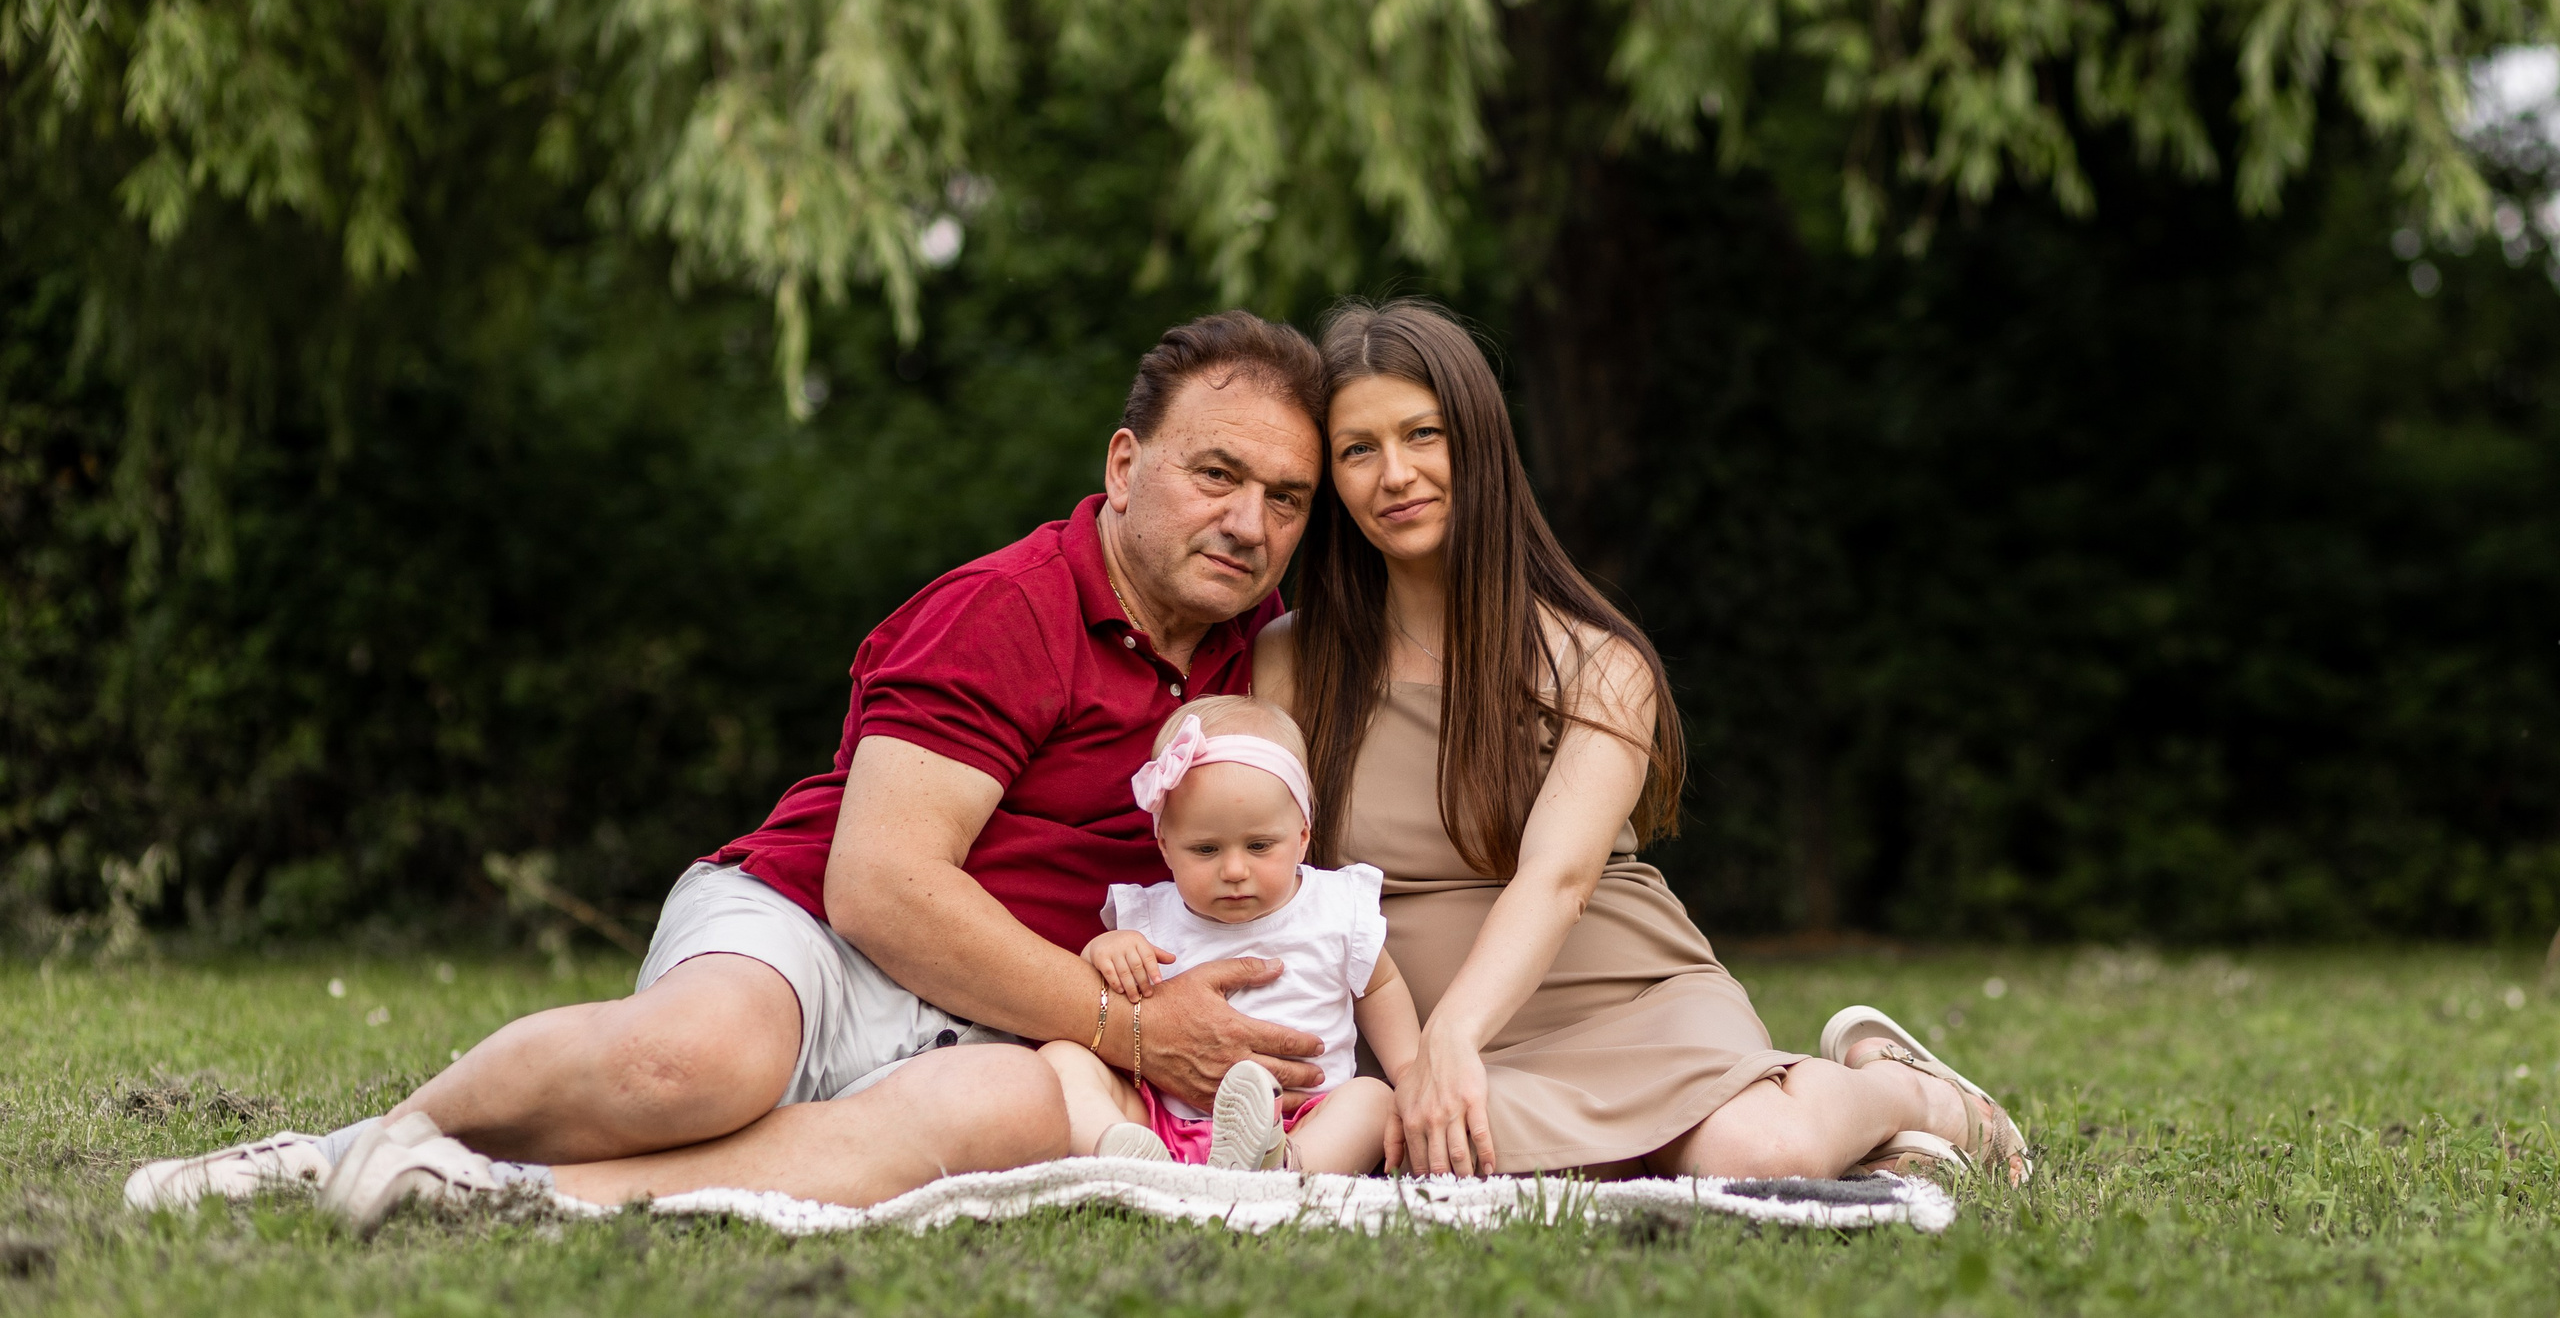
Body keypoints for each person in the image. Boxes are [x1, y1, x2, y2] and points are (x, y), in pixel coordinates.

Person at [126, 311, 1337, 1229]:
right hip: (813, 926)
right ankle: (358, 1144)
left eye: (1285, 499)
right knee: (698, 1064)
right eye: (1216, 474)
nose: (1248, 523)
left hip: (999, 1020)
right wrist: (1129, 1027)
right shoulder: (1008, 611)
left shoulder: (1257, 652)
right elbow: (881, 888)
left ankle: (503, 1194)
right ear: (1125, 466)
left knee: (1010, 1116)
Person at [1255, 299, 2030, 1185]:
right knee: (1450, 1156)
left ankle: (1904, 1094)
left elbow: (1560, 878)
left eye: (1423, 433)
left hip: (1620, 996)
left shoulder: (1597, 663)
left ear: (1478, 439)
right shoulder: (1290, 659)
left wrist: (1455, 1037)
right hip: (1413, 1030)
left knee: (1761, 1153)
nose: (1395, 473)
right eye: (1359, 449)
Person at [1039, 697, 1419, 1173]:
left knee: (1371, 1098)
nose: (1234, 870)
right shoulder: (1150, 917)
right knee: (1062, 1058)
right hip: (1165, 1118)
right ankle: (1122, 1154)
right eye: (1205, 849)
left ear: (1302, 835)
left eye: (1259, 846)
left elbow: (1379, 985)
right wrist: (1106, 950)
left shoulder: (1336, 906)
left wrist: (1408, 1071)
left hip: (1302, 1116)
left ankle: (1288, 1169)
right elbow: (1108, 989)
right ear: (1164, 846)